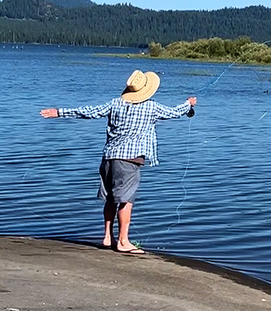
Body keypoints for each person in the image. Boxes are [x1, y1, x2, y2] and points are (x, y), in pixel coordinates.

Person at [40, 69, 197, 255]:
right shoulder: (151, 107)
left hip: (109, 158)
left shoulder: (115, 103)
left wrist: (58, 112)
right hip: (129, 161)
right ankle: (123, 241)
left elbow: (89, 112)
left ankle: (108, 237)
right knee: (126, 200)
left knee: (110, 199)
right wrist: (188, 104)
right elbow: (173, 113)